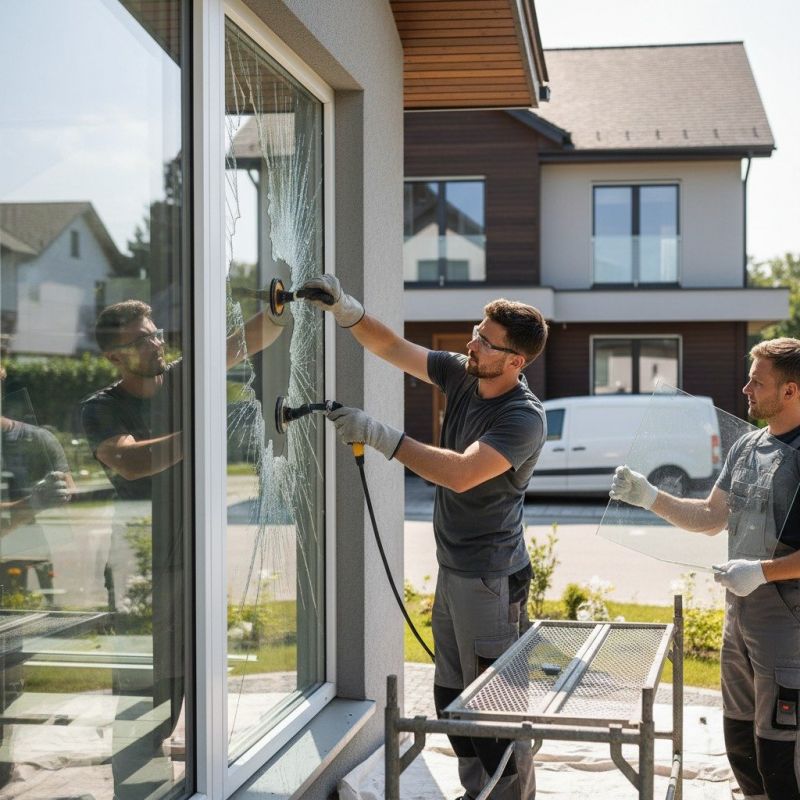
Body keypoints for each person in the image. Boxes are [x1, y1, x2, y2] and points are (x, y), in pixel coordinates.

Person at [299, 274, 547, 800]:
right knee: (453, 695)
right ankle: (474, 791)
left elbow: (460, 473)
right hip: (457, 566)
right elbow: (393, 346)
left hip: (491, 577)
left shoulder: (522, 418)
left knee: (496, 705)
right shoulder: (465, 375)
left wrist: (379, 434)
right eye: (476, 332)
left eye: (485, 341)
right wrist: (346, 308)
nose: (471, 345)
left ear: (514, 362)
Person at [81, 298, 286, 798]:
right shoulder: (102, 407)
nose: (155, 343)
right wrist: (201, 430)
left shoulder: (181, 376)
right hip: (141, 565)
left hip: (197, 558)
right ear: (114, 356)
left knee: (202, 683)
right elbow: (128, 461)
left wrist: (286, 301)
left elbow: (250, 338)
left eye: (154, 333)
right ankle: (137, 791)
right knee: (145, 700)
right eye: (140, 338)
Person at [610, 337, 800, 800]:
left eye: (757, 380)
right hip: (739, 619)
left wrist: (762, 571)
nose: (745, 388)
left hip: (787, 626)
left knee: (779, 753)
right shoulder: (747, 447)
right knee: (738, 741)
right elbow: (710, 518)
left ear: (791, 391)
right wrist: (649, 496)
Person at [0, 366, 72, 604]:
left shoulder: (38, 439)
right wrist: (34, 502)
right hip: (21, 539)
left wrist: (56, 491)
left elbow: (67, 491)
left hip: (28, 544)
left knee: (23, 610)